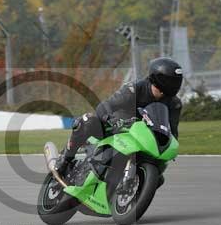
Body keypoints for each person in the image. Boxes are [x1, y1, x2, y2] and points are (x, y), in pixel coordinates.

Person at [54, 57, 183, 176]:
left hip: (143, 139)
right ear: (155, 80)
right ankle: (65, 159)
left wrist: (169, 147)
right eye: (168, 82)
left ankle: (133, 194)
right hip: (116, 127)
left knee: (158, 175)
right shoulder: (134, 89)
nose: (163, 93)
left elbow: (172, 132)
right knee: (86, 121)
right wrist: (109, 119)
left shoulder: (174, 104)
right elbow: (105, 106)